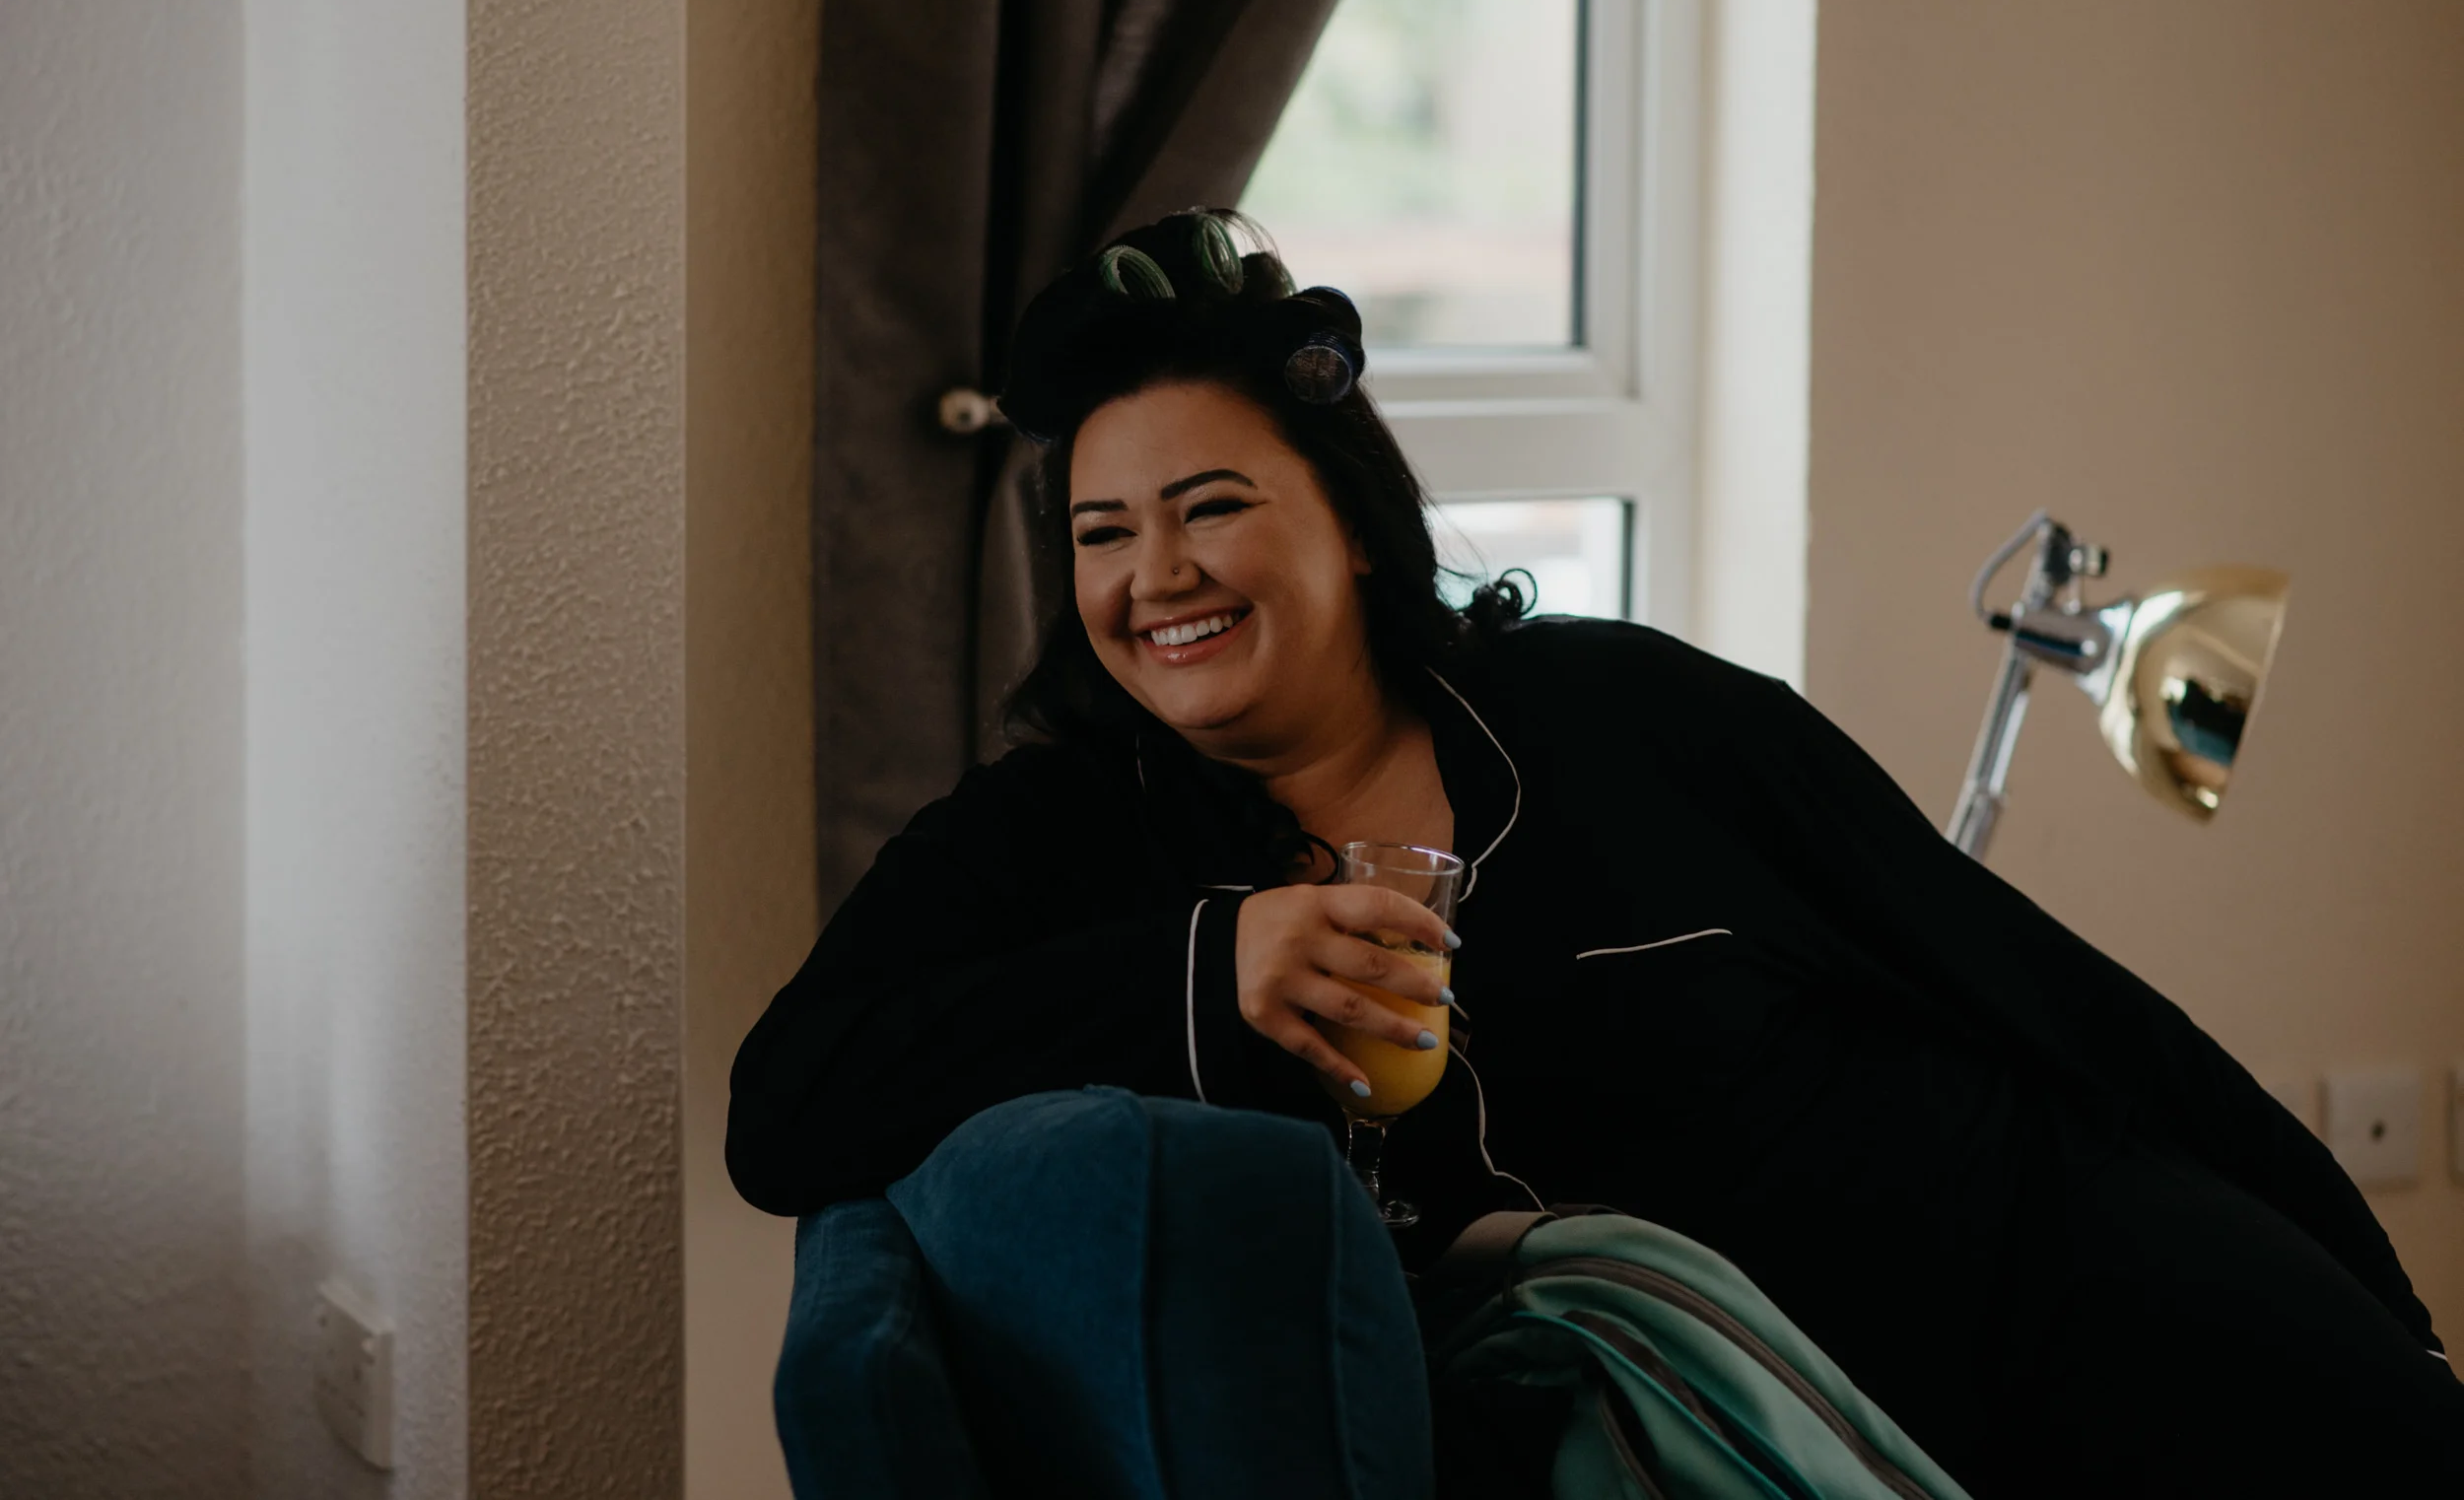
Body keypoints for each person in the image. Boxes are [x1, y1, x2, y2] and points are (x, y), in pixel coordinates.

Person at [729, 209, 2464, 1495]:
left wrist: (2360, 1288)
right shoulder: (1060, 838)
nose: (1153, 576)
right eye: (1103, 532)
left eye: (1213, 507)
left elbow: (2024, 985)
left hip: (2068, 1283)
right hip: (1725, 1432)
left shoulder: (1625, 715)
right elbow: (788, 1103)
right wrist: (1210, 966)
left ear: (1348, 518)